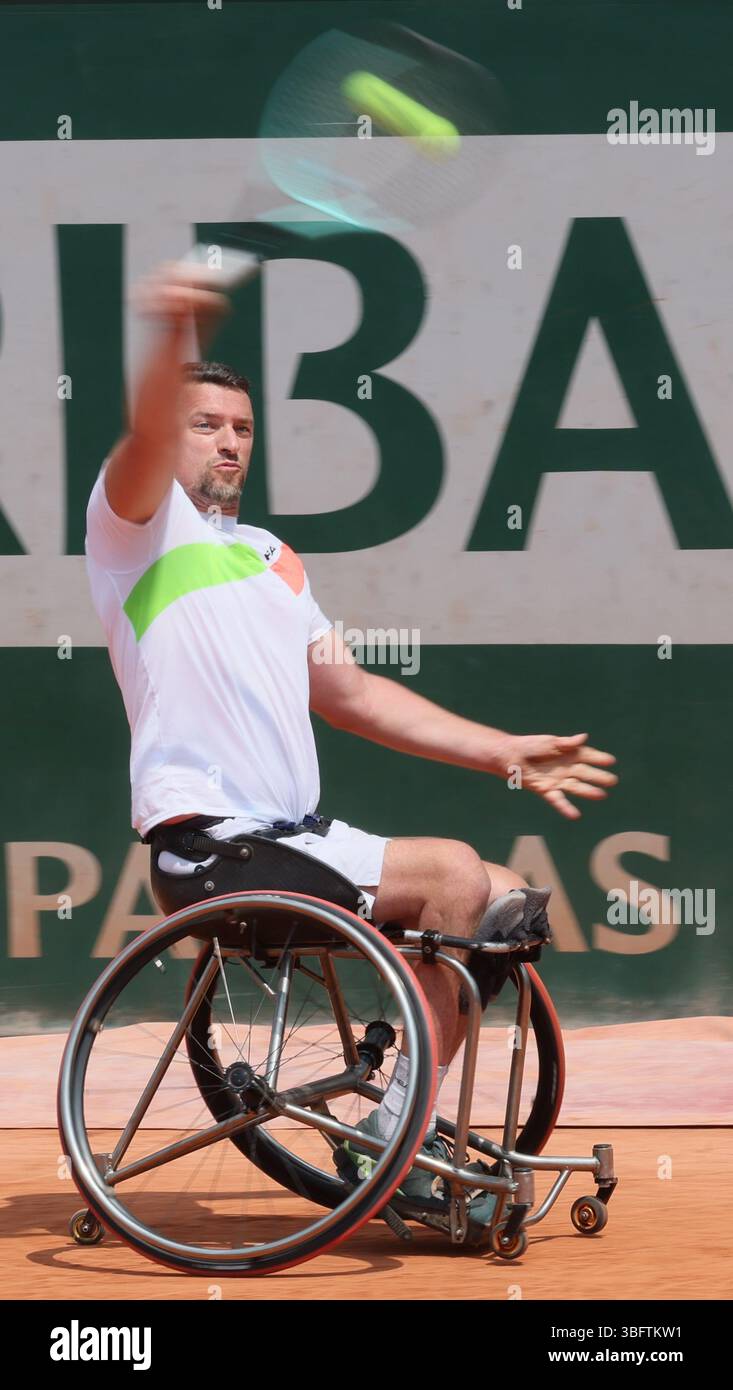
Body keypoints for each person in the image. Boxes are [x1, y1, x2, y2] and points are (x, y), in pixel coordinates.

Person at [85, 262, 617, 1232]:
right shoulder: (134, 532)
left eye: (242, 429)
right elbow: (140, 439)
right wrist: (167, 332)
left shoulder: (273, 561)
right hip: (210, 849)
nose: (228, 443)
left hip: (294, 836)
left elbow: (357, 693)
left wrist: (503, 750)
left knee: (498, 892)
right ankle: (395, 1140)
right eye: (207, 425)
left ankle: (397, 1118)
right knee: (450, 873)